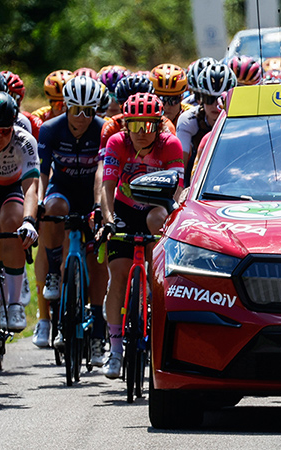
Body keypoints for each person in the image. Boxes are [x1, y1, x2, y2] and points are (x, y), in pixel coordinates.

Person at [99, 93, 184, 378]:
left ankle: (154, 313)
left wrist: (172, 226)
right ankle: (114, 349)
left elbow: (177, 190)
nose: (140, 134)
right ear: (126, 126)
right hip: (124, 209)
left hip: (155, 210)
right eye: (134, 126)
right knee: (118, 276)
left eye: (147, 126)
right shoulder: (116, 143)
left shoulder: (169, 143)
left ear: (158, 126)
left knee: (157, 221)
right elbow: (107, 186)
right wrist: (108, 220)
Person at [35, 76, 108, 362]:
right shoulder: (50, 129)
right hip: (62, 190)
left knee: (96, 258)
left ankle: (98, 331)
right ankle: (54, 270)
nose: (82, 117)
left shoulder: (103, 130)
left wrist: (100, 209)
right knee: (52, 209)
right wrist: (39, 203)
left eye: (89, 111)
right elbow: (41, 174)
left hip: (91, 193)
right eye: (76, 109)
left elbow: (104, 174)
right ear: (65, 106)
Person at [0, 92, 40, 331]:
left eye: (4, 131)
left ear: (13, 126)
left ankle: (15, 303)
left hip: (11, 190)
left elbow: (31, 189)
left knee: (13, 222)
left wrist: (29, 222)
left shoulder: (25, 141)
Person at [177, 63, 235, 186]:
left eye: (221, 99)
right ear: (200, 99)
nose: (215, 105)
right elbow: (181, 169)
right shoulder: (189, 119)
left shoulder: (240, 120)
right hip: (196, 180)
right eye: (209, 99)